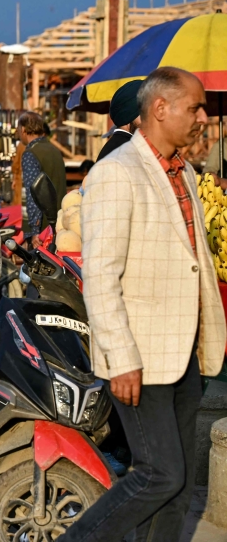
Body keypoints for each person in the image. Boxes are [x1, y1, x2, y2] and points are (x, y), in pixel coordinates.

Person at [64, 67, 227, 542]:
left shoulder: (186, 173)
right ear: (160, 108)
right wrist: (122, 360)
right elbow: (100, 275)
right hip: (140, 358)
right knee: (160, 475)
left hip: (185, 357)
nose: (203, 116)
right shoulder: (117, 172)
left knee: (174, 491)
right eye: (194, 107)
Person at [16, 111, 66, 237]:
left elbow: (33, 194)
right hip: (57, 223)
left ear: (23, 129)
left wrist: (34, 230)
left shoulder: (31, 154)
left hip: (42, 229)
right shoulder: (54, 150)